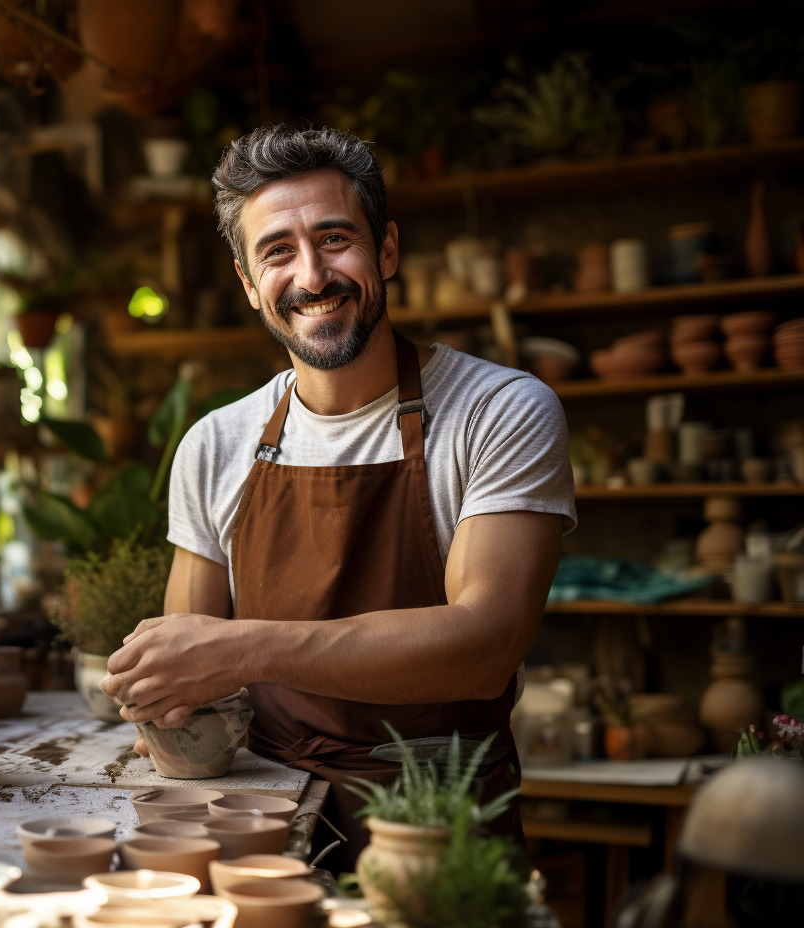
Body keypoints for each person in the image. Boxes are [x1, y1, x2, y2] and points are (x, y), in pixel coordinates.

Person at [100, 124, 576, 870]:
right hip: (263, 827)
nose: (313, 275)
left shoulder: (500, 411)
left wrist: (245, 648)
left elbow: (484, 647)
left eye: (334, 238)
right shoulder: (215, 444)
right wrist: (159, 698)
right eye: (278, 251)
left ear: (386, 250)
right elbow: (188, 681)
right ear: (249, 283)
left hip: (439, 831)